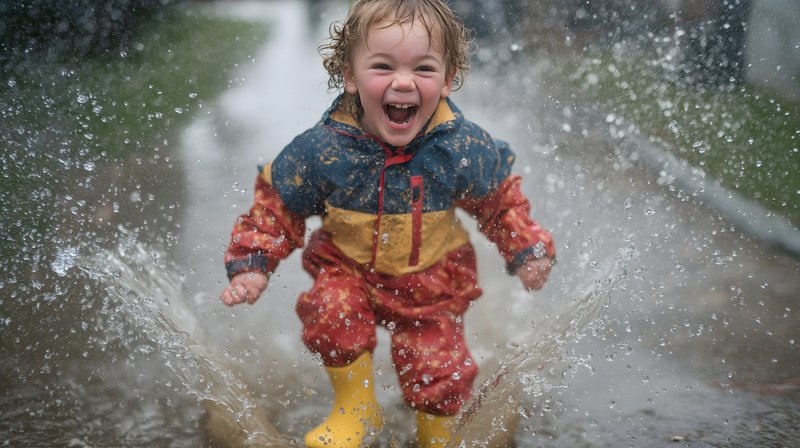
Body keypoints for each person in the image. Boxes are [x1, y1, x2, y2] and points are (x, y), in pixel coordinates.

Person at [219, 0, 555, 446]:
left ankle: (437, 432)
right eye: (382, 66)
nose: (402, 81)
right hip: (349, 266)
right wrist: (252, 260)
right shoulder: (325, 150)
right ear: (350, 76)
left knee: (439, 366)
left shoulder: (461, 147)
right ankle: (354, 408)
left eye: (423, 68)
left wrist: (526, 248)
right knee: (330, 312)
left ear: (449, 77)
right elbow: (279, 202)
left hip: (431, 277)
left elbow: (500, 201)